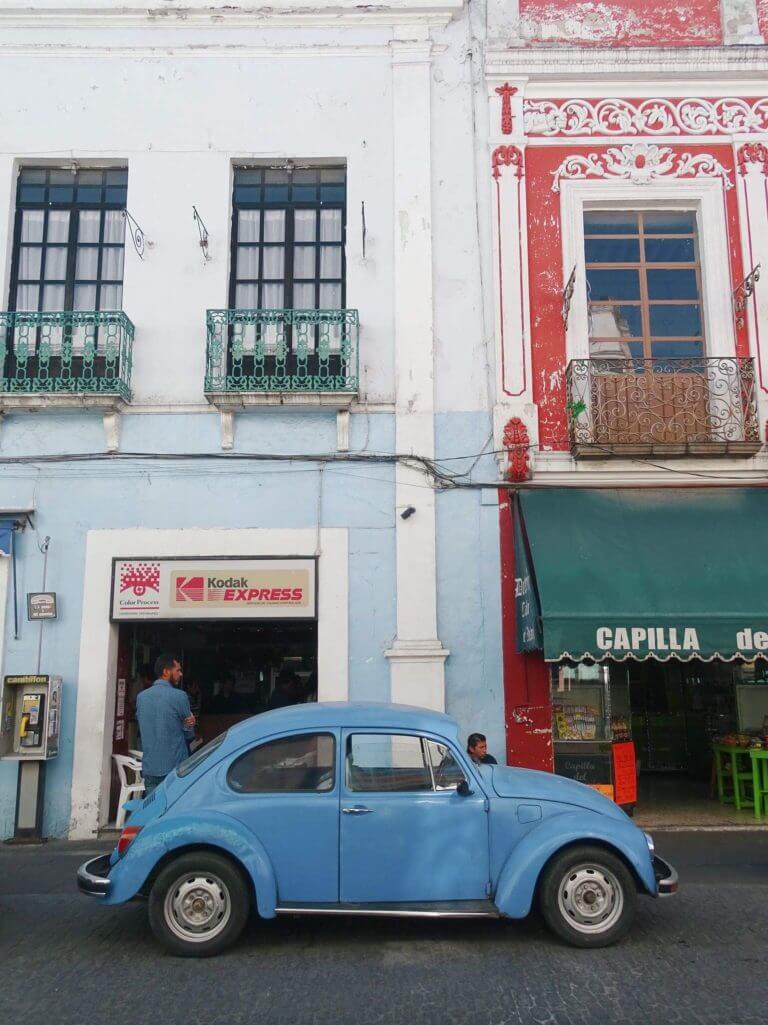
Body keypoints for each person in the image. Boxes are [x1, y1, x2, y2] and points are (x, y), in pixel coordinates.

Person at [136, 654, 196, 794]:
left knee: (154, 811)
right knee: (173, 812)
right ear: (166, 672)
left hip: (150, 768)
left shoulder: (141, 697)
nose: (181, 674)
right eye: (178, 670)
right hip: (174, 769)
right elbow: (189, 735)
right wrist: (189, 724)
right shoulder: (180, 696)